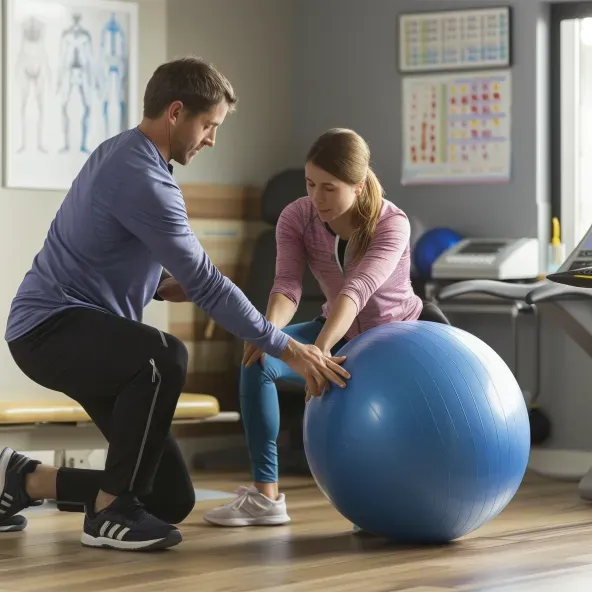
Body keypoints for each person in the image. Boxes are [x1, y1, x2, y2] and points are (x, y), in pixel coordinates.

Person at [0, 57, 350, 552]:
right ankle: (106, 515)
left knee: (168, 497)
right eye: (209, 125)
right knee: (165, 357)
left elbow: (100, 250)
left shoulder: (129, 154)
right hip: (49, 327)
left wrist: (161, 282)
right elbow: (207, 283)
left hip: (74, 327)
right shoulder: (140, 172)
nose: (211, 139)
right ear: (176, 112)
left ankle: (24, 479)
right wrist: (286, 348)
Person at [202, 127, 450, 528]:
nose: (316, 198)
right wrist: (271, 336)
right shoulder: (297, 217)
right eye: (310, 183)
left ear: (359, 184)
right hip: (341, 333)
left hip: (399, 338)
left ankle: (395, 493)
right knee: (258, 361)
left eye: (329, 188)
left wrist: (317, 350)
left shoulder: (393, 223)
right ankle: (266, 498)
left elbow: (358, 290)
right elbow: (287, 285)